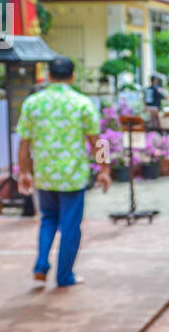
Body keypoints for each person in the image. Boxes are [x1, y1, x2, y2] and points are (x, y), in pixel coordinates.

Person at [16, 56, 112, 288]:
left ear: (48, 75)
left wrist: (24, 172)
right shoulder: (82, 103)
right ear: (72, 76)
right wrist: (104, 169)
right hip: (73, 177)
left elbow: (24, 143)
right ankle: (64, 275)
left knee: (48, 220)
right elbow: (96, 141)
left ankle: (41, 264)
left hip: (45, 174)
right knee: (70, 227)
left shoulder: (33, 103)